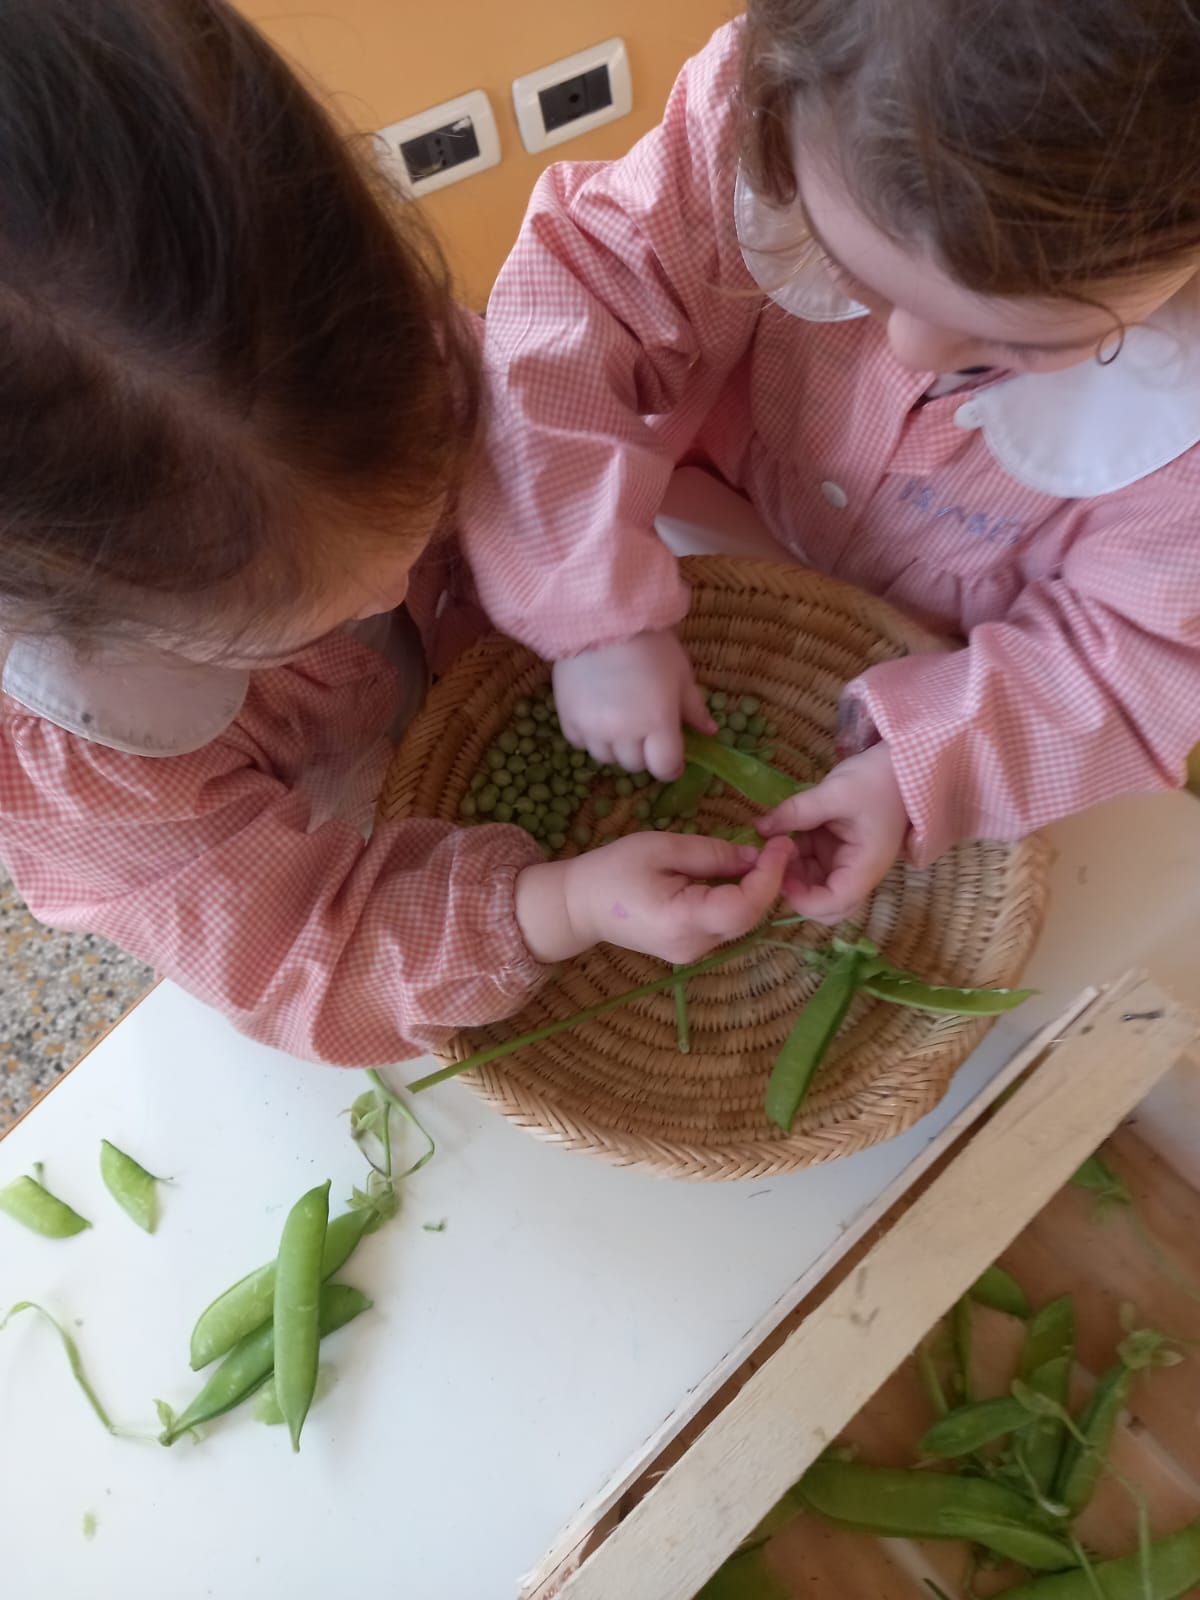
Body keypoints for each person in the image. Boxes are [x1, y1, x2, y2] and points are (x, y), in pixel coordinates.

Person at [0, 0, 792, 1067]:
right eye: (277, 630)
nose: (388, 588)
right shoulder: (99, 777)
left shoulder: (357, 356)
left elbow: (538, 426)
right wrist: (557, 905)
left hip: (476, 718)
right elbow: (301, 962)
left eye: (428, 473)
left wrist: (593, 613)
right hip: (355, 876)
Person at [463, 0, 1200, 925]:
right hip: (703, 527)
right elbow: (565, 323)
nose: (918, 350)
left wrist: (919, 768)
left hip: (948, 669)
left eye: (1018, 345)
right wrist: (592, 612)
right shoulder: (759, 116)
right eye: (859, 277)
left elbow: (1135, 661)